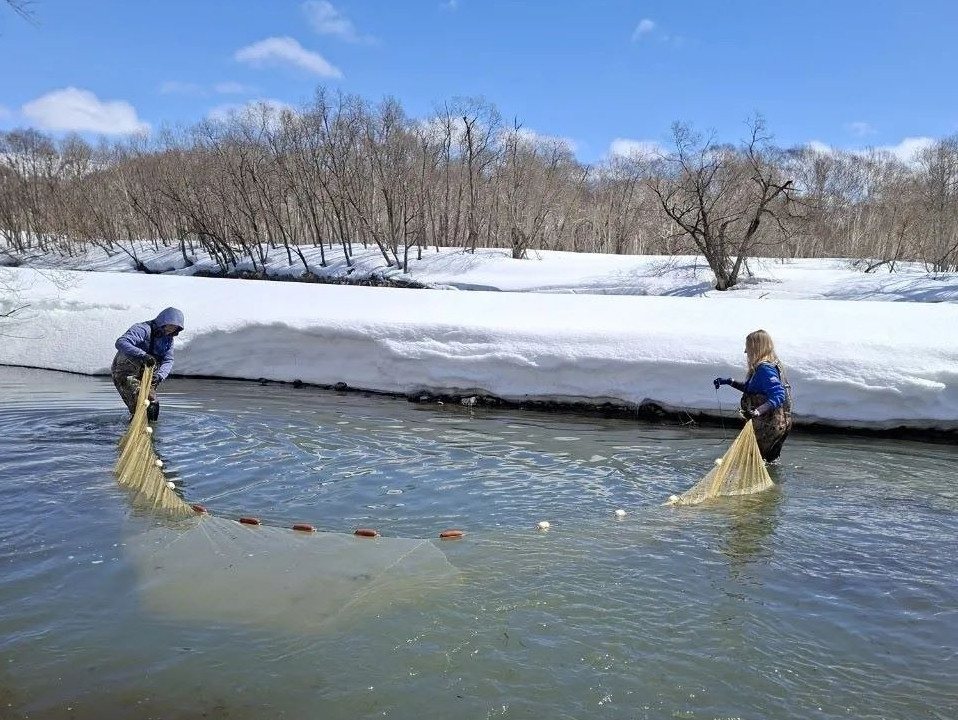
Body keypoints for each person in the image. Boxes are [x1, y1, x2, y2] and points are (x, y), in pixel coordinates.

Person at [713, 329, 792, 462]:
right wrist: (730, 382)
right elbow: (753, 389)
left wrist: (757, 411)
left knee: (754, 462)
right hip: (774, 426)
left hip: (769, 428)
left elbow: (779, 395)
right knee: (764, 463)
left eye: (748, 347)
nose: (746, 352)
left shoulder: (765, 369)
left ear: (756, 348)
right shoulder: (766, 367)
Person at [112, 307, 184, 421]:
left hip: (148, 374)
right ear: (163, 322)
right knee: (138, 402)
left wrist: (160, 376)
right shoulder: (142, 329)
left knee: (152, 403)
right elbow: (121, 342)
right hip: (126, 372)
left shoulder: (168, 339)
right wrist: (143, 355)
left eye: (174, 328)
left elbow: (168, 360)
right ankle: (134, 428)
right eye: (170, 326)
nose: (170, 330)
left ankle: (151, 429)